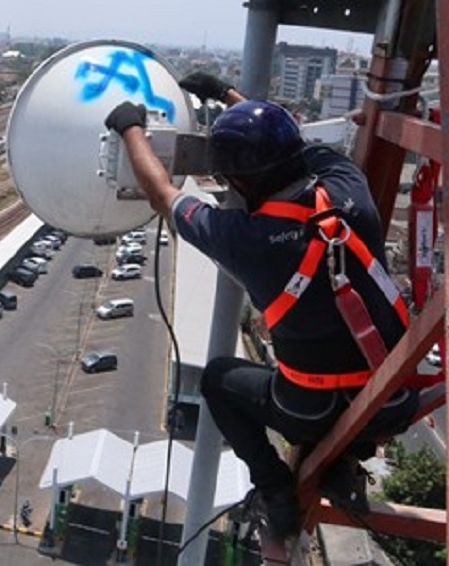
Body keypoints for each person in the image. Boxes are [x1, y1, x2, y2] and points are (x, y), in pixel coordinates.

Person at [103, 72, 420, 540]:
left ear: (236, 181)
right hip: (391, 401)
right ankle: (340, 462)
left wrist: (130, 127)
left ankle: (274, 486)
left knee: (217, 379)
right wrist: (230, 96)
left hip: (307, 410)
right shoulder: (348, 186)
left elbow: (163, 194)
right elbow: (289, 141)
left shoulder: (244, 240)